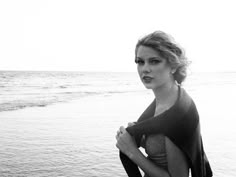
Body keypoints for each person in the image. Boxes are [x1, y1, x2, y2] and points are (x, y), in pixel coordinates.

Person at [115, 31, 212, 177]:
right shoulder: (169, 100)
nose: (145, 69)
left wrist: (131, 151)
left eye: (154, 61)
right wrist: (142, 136)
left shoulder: (175, 114)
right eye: (140, 61)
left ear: (173, 65)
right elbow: (168, 144)